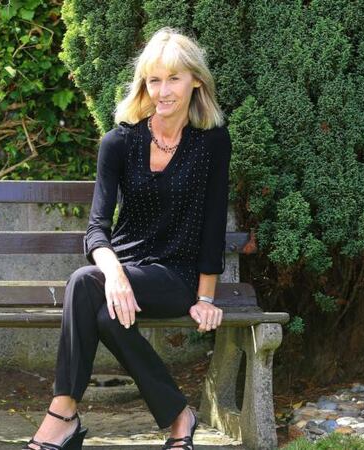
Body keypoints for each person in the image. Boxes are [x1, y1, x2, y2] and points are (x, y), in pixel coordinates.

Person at [23, 26, 231, 450]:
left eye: (173, 79)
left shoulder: (212, 143)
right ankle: (179, 416)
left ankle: (63, 415)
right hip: (123, 271)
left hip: (175, 277)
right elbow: (96, 228)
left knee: (83, 282)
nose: (163, 91)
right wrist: (116, 274)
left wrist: (206, 298)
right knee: (103, 314)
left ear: (195, 81)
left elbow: (213, 225)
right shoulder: (119, 142)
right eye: (154, 80)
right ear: (143, 84)